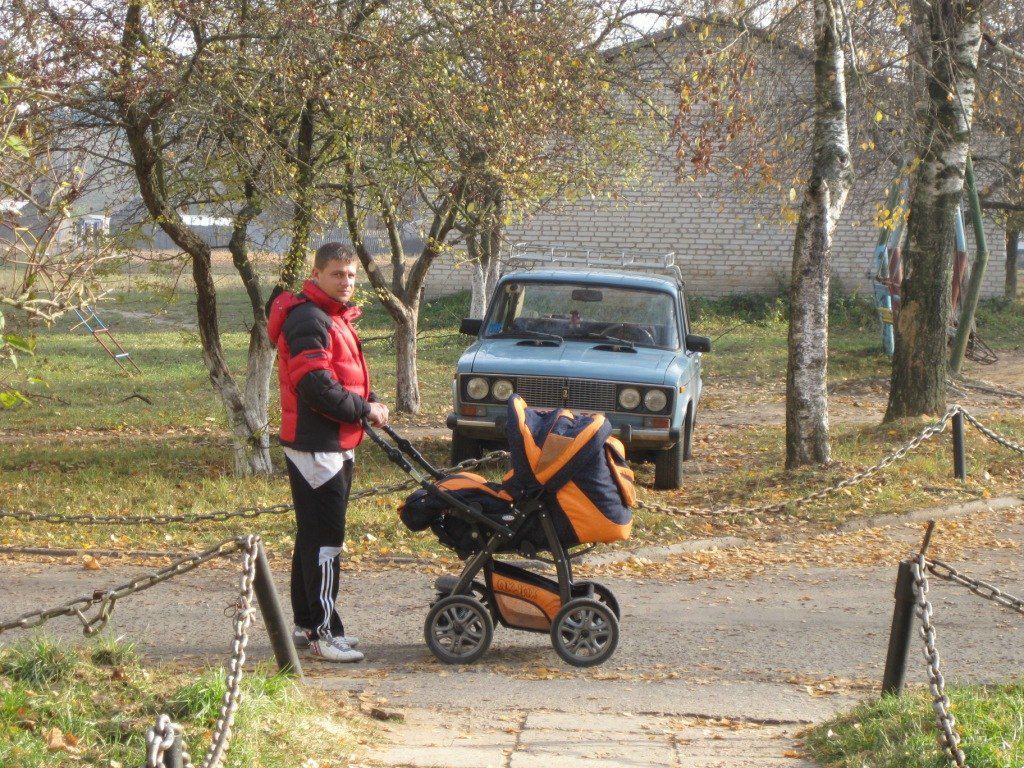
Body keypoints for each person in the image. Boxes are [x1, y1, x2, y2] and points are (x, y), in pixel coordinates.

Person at [268, 242, 389, 663]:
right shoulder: (308, 320)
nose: (347, 282)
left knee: (312, 537)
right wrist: (363, 410)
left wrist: (369, 400)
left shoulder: (331, 318)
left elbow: (343, 376)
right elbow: (316, 384)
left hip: (334, 442)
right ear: (316, 274)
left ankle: (307, 623)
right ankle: (322, 632)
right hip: (317, 445)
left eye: (352, 275)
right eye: (338, 274)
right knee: (325, 542)